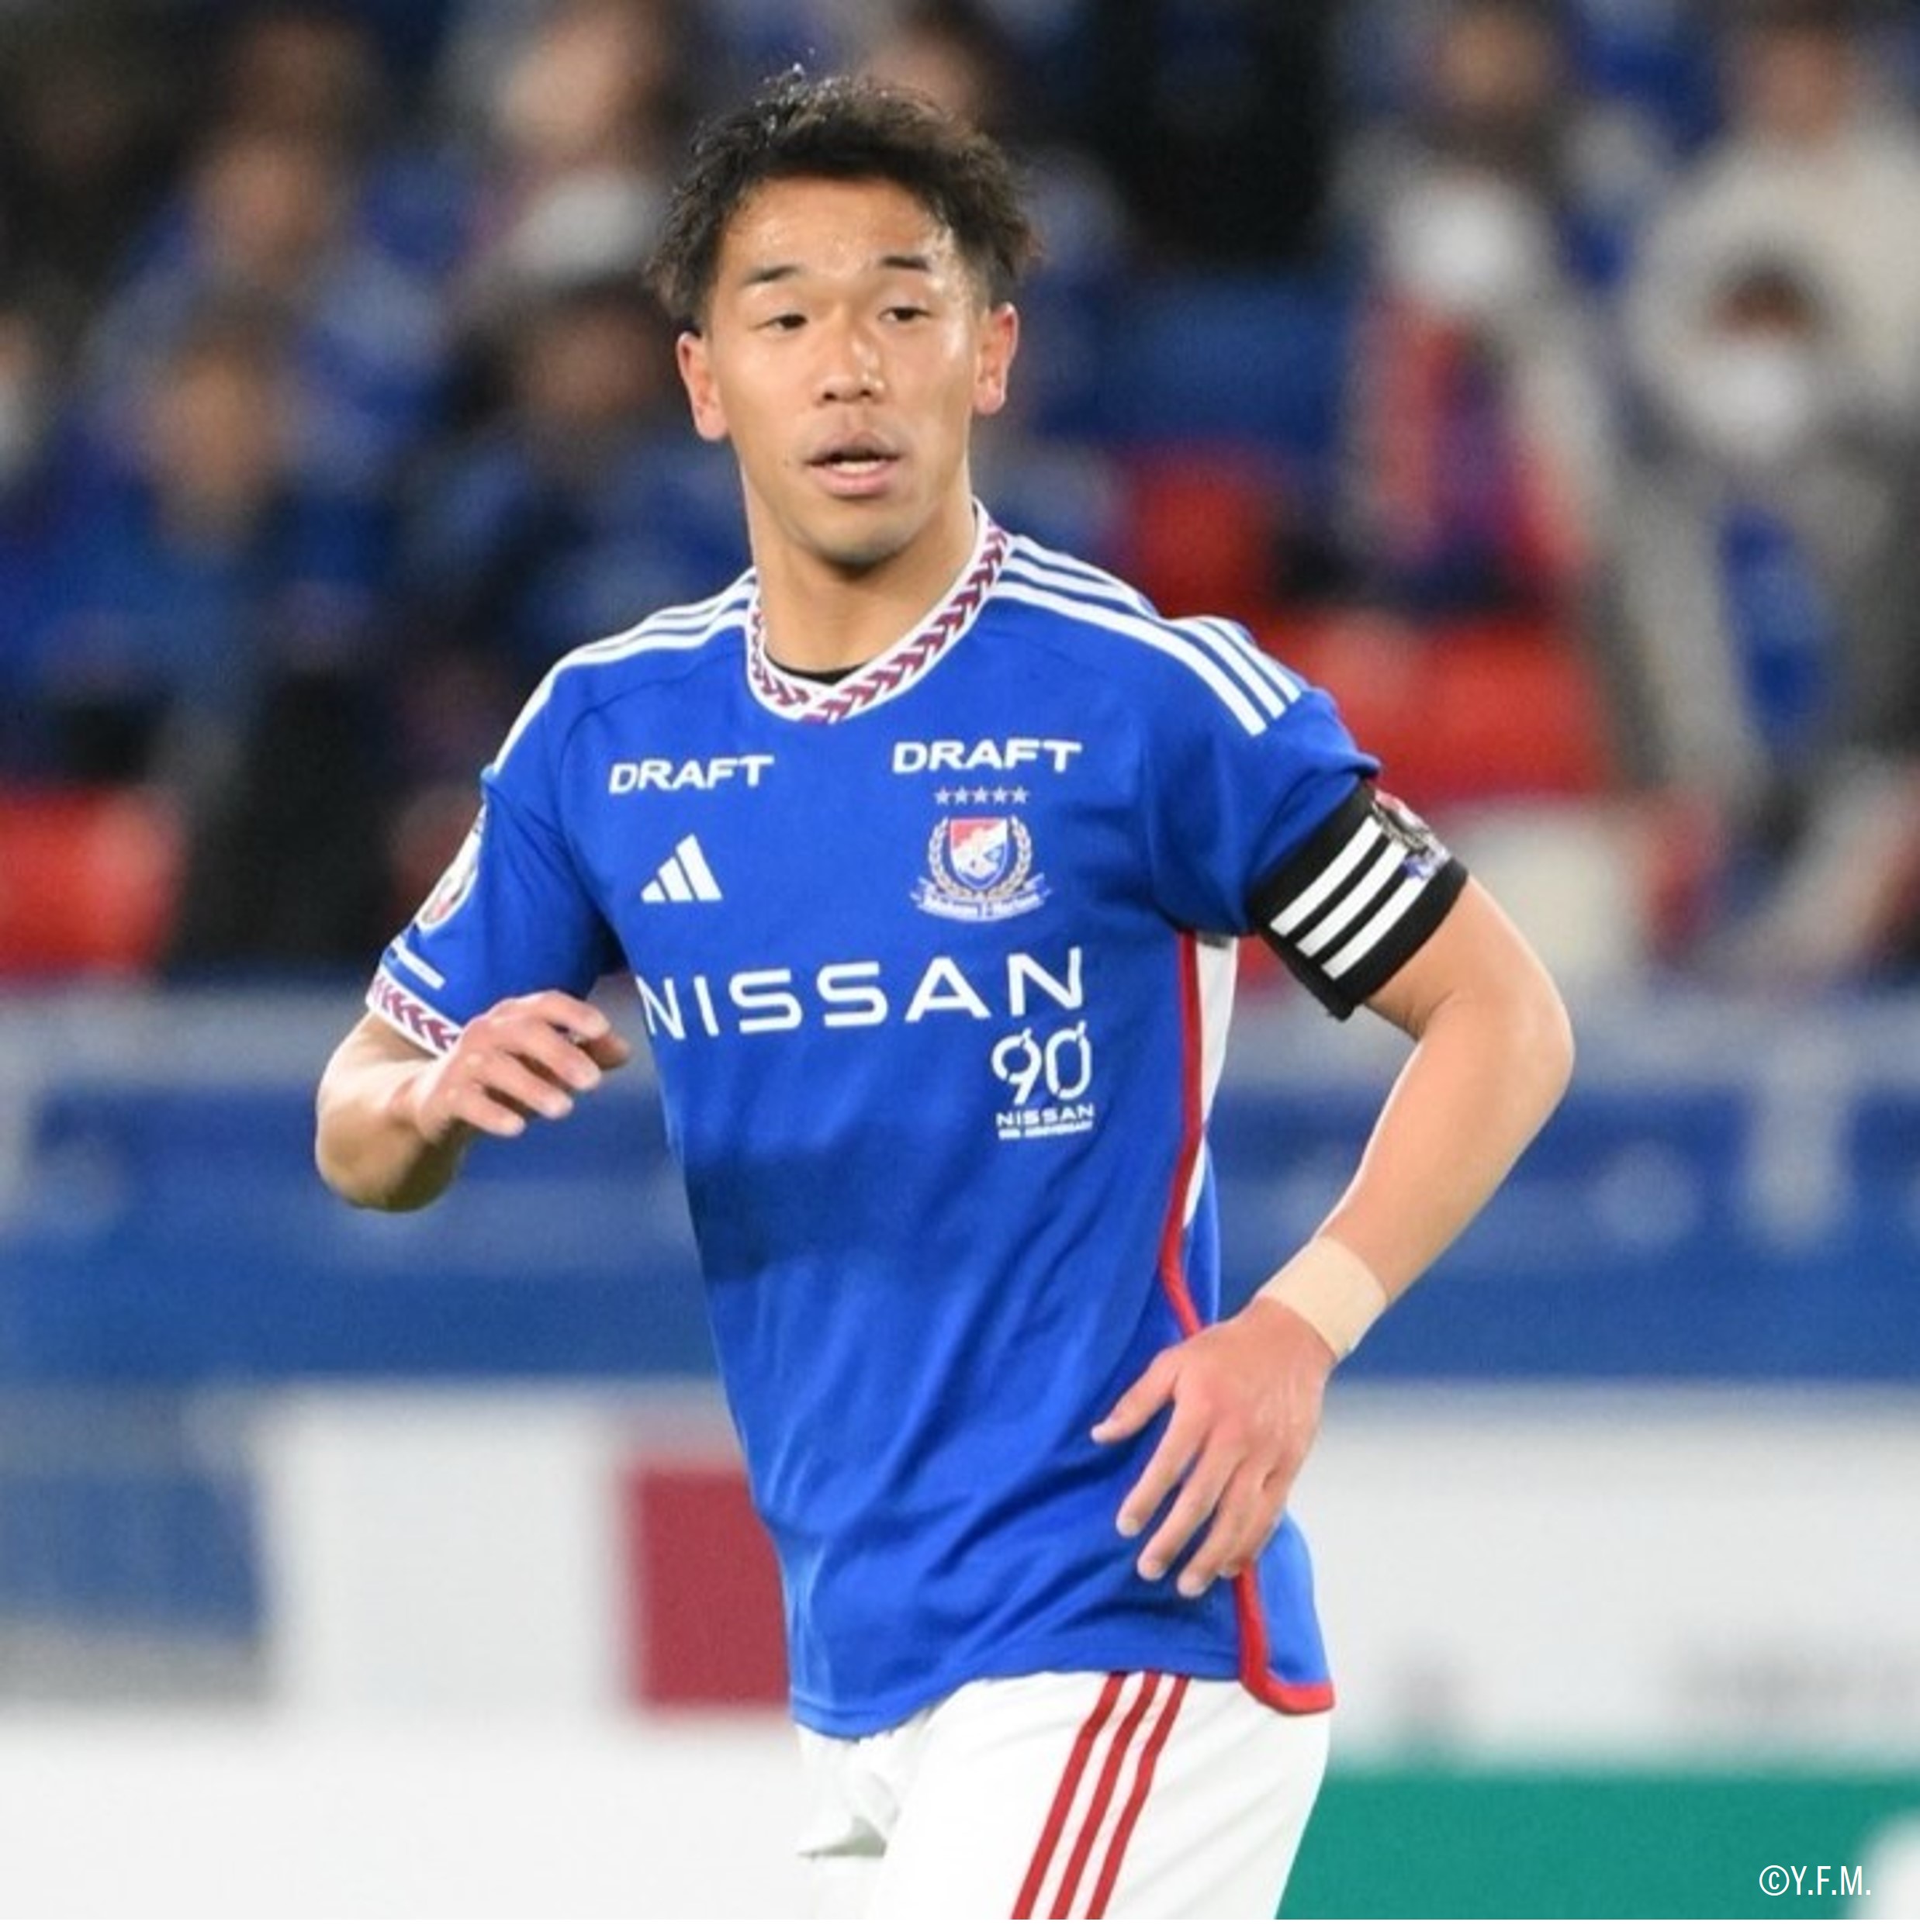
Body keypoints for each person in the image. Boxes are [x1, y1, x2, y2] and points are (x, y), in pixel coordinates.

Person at [315, 72, 1572, 1918]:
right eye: (786, 316)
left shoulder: (1144, 703)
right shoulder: (607, 735)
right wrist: (420, 1105)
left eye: (903, 308)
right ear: (702, 380)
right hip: (860, 1678)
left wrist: (1297, 1328)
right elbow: (357, 1111)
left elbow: (1501, 1012)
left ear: (988, 356)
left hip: (1114, 1626)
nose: (848, 366)